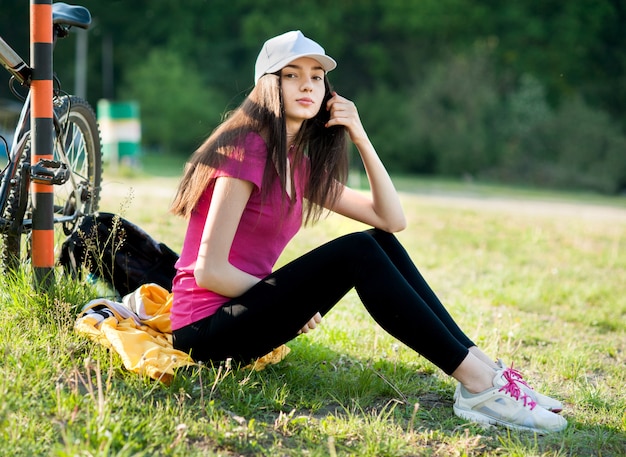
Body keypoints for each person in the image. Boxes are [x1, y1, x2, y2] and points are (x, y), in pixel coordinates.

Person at [169, 30, 567, 434]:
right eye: (292, 75)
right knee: (356, 251)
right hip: (204, 331)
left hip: (245, 314)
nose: (308, 84)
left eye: (317, 76)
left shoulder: (297, 166)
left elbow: (390, 220)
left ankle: (486, 371)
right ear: (267, 86)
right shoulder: (247, 149)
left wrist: (360, 136)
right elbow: (210, 271)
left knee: (377, 242)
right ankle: (478, 385)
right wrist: (287, 301)